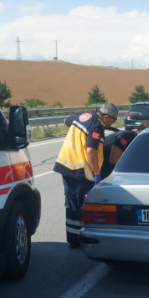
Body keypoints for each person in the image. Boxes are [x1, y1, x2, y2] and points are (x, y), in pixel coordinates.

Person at [53, 103, 118, 248]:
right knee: (84, 207)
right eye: (114, 120)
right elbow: (90, 151)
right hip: (81, 171)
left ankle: (73, 239)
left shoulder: (83, 116)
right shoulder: (97, 126)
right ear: (106, 117)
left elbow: (65, 121)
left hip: (66, 167)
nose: (113, 123)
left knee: (71, 205)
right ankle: (84, 240)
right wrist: (97, 173)